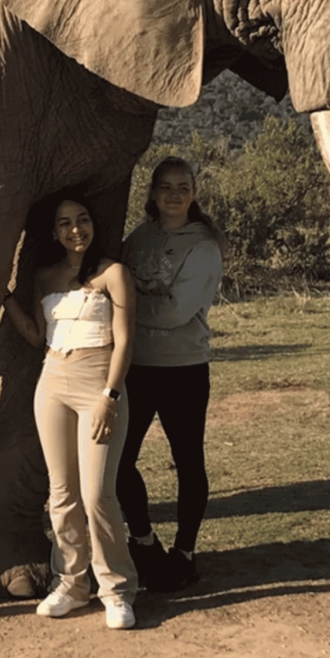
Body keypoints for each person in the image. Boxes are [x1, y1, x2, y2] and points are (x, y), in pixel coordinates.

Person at [1, 194, 138, 630]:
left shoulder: (113, 273)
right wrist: (4, 297)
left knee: (98, 494)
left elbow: (125, 340)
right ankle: (72, 585)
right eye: (64, 223)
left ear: (94, 224)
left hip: (98, 382)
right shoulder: (45, 276)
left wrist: (109, 397)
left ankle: (117, 590)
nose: (75, 229)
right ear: (54, 231)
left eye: (82, 220)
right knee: (61, 493)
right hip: (53, 382)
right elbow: (35, 334)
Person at [116, 156, 224, 592]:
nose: (174, 195)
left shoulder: (204, 245)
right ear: (152, 192)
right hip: (136, 368)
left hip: (183, 369)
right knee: (119, 459)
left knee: (188, 461)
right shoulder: (138, 238)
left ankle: (185, 553)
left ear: (195, 192)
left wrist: (123, 307)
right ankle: (143, 541)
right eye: (166, 187)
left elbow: (175, 313)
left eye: (183, 187)